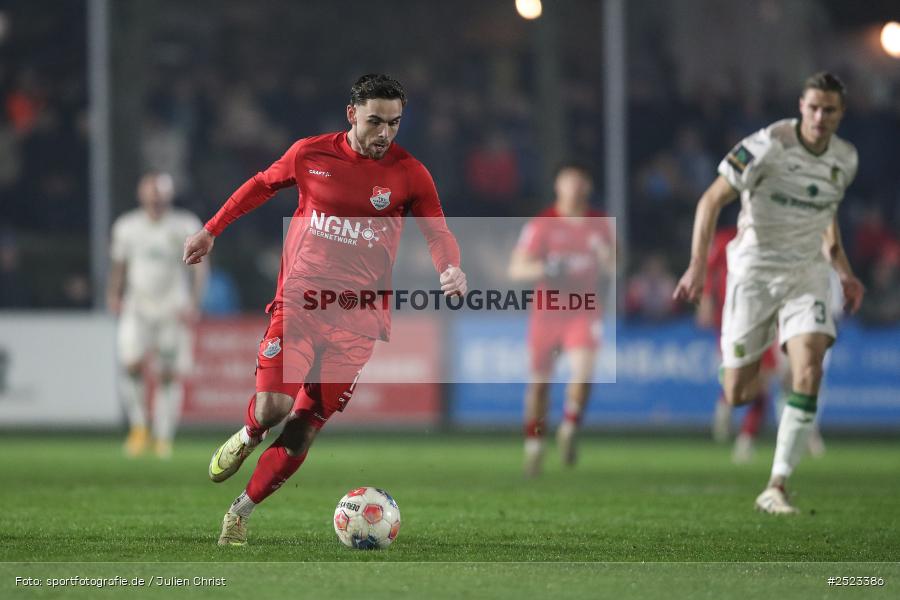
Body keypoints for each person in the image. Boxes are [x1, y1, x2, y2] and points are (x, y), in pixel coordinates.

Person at [183, 74, 467, 546]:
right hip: (301, 302)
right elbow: (260, 185)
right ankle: (250, 433)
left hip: (359, 320)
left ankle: (240, 511)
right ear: (352, 114)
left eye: (394, 123)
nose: (384, 133)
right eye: (375, 121)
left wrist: (450, 268)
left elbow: (438, 232)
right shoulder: (310, 154)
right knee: (274, 408)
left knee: (302, 428)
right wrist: (212, 229)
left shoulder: (410, 173)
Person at [673, 72, 864, 514]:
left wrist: (843, 271)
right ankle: (732, 376)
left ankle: (776, 484)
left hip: (807, 273)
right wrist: (698, 265)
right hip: (754, 274)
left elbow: (825, 212)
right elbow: (710, 200)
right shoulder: (766, 145)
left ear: (840, 113)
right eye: (813, 107)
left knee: (809, 366)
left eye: (829, 110)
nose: (820, 117)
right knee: (740, 392)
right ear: (801, 106)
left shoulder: (845, 159)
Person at [508, 163, 614, 477]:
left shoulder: (600, 224)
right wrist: (545, 269)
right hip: (548, 312)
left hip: (584, 309)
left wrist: (607, 256)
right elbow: (515, 269)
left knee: (583, 373)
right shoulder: (542, 224)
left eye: (580, 181)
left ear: (588, 186)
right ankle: (535, 446)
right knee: (539, 386)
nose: (574, 187)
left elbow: (615, 265)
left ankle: (569, 425)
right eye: (568, 181)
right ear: (558, 186)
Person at [107, 172, 207, 459]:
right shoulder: (126, 227)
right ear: (142, 195)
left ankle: (163, 436)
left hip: (172, 307)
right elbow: (119, 265)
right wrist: (113, 294)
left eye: (160, 194)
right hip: (137, 306)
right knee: (131, 365)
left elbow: (200, 268)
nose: (155, 198)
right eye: (151, 192)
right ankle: (139, 427)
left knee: (168, 375)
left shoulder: (185, 224)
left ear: (169, 196)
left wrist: (194, 303)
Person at [698, 224, 777, 463]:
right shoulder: (726, 238)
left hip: (763, 316)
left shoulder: (773, 237)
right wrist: (705, 301)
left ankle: (746, 439)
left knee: (765, 380)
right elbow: (708, 269)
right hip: (730, 318)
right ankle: (726, 402)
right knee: (739, 372)